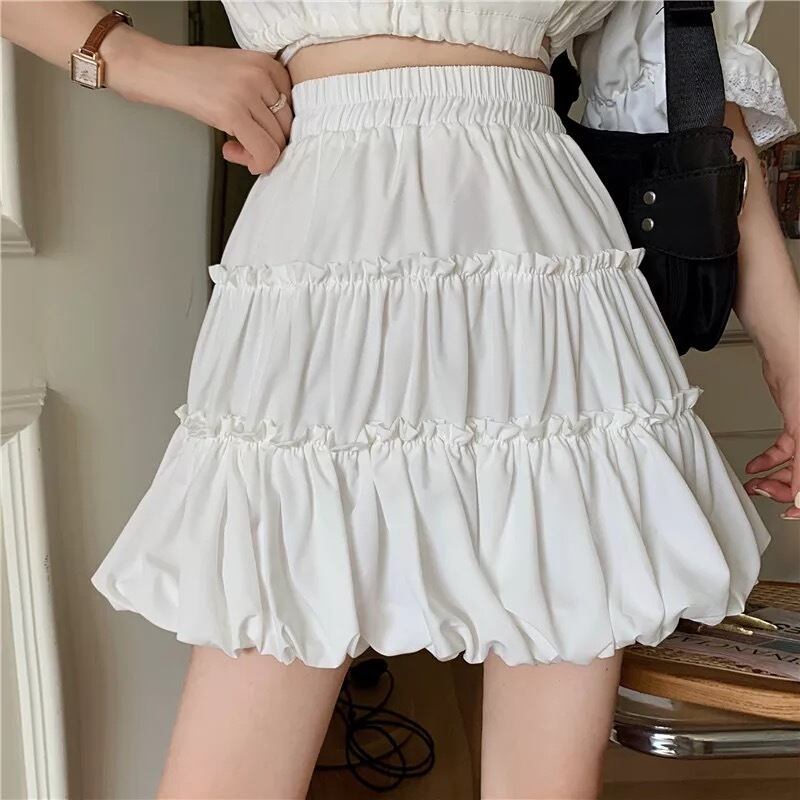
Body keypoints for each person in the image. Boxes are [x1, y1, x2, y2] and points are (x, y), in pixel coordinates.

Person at [4, 2, 798, 798]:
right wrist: (138, 63)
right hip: (327, 254)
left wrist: (792, 362)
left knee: (549, 770)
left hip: (546, 265)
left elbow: (689, 92)